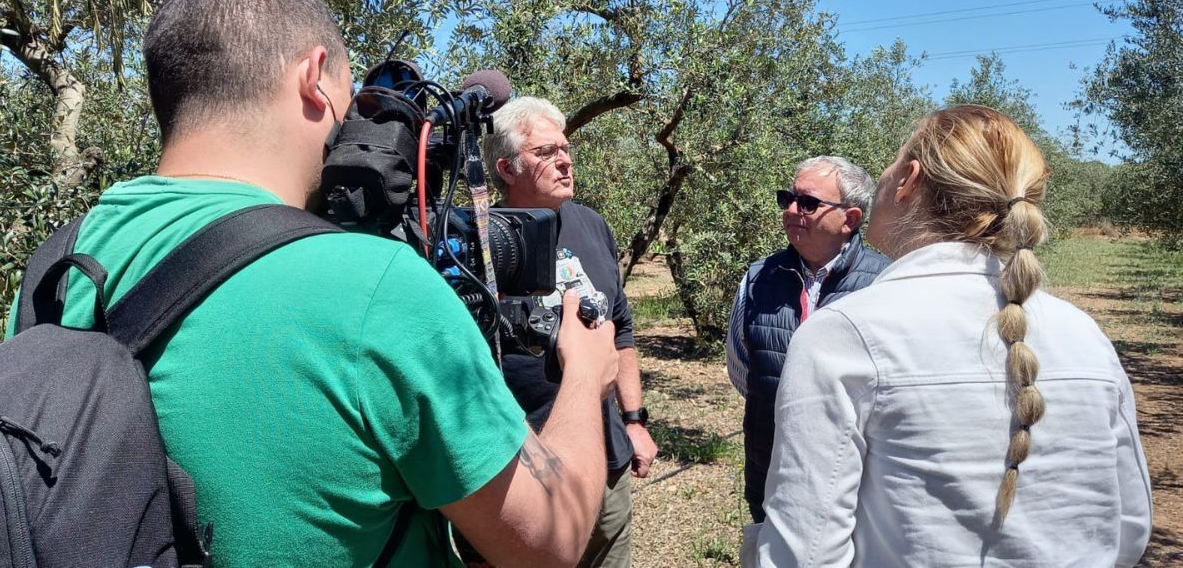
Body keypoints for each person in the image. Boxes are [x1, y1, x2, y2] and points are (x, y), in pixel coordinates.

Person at [10, 0, 620, 568]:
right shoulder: (375, 285)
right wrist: (586, 373)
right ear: (314, 79)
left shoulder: (55, 269)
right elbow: (549, 541)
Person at [742, 105, 1153, 567]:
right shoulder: (1086, 335)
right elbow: (1129, 529)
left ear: (909, 180)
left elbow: (803, 555)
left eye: (891, 163)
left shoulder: (844, 335)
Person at [476, 96, 658, 568]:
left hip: (606, 459)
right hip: (524, 466)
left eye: (565, 147)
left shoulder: (593, 225)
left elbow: (621, 330)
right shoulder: (480, 243)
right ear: (507, 168)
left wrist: (634, 421)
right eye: (545, 152)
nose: (564, 159)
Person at [726, 156, 889, 523]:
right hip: (772, 476)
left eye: (809, 203)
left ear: (850, 220)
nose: (793, 210)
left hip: (857, 487)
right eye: (789, 198)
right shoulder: (758, 278)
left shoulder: (886, 284)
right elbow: (742, 369)